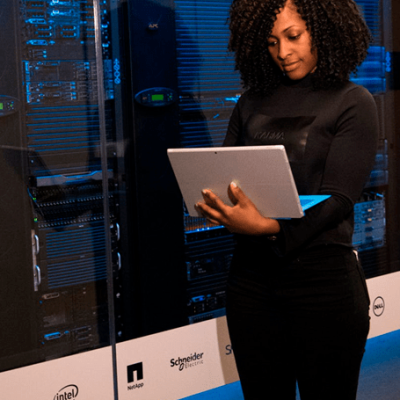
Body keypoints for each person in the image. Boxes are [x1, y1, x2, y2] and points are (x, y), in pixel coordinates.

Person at [194, 0, 379, 399]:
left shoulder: (353, 101)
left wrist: (270, 228)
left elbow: (339, 198)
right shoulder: (249, 103)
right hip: (251, 286)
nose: (283, 52)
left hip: (324, 287)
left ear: (324, 30)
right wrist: (214, 203)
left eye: (294, 37)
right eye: (271, 42)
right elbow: (225, 177)